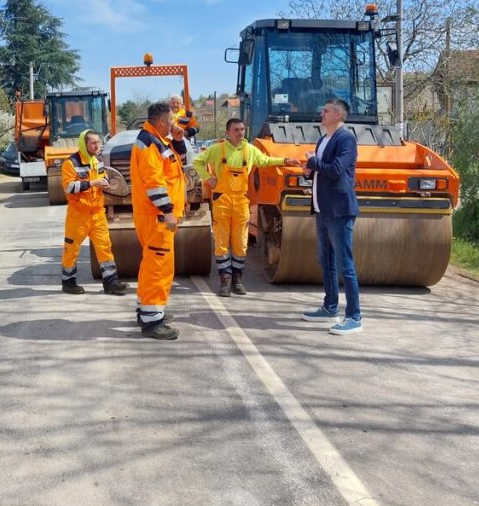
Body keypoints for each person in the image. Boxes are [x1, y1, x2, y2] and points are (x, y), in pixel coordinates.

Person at [194, 118, 300, 296]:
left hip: (241, 201)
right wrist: (208, 178)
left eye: (242, 129)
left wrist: (285, 161)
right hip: (222, 201)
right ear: (228, 132)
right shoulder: (217, 149)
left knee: (241, 243)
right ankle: (225, 281)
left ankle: (237, 280)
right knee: (221, 243)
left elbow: (265, 161)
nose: (240, 133)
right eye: (236, 130)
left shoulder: (249, 150)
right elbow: (197, 161)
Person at [301, 98, 362, 334]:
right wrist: (308, 171)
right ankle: (330, 307)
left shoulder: (346, 139)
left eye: (325, 111)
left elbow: (336, 170)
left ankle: (354, 317)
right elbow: (320, 172)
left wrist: (313, 161)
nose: (321, 113)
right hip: (322, 210)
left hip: (339, 210)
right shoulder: (322, 139)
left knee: (345, 265)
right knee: (326, 262)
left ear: (338, 115)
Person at [131, 102, 187, 340]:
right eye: (171, 119)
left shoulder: (158, 141)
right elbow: (154, 181)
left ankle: (147, 311)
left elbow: (177, 165)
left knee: (151, 264)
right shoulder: (149, 144)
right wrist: (167, 211)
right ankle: (152, 321)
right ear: (162, 120)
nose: (174, 123)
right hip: (156, 216)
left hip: (154, 215)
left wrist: (178, 141)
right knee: (159, 268)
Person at [59, 130, 128, 296]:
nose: (97, 146)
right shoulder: (70, 163)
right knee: (71, 249)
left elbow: (103, 177)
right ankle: (68, 283)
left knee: (105, 247)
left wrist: (106, 183)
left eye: (98, 142)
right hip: (78, 215)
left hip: (97, 213)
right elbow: (69, 187)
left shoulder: (98, 161)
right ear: (84, 144)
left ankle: (111, 283)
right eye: (93, 143)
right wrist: (92, 183)